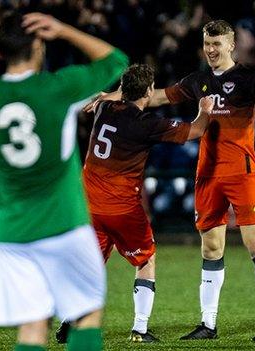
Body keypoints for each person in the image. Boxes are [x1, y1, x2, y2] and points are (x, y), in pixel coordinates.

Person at [138, 20, 255, 341]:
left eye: (217, 44)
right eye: (207, 43)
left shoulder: (250, 80)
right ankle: (208, 324)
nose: (211, 50)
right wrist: (117, 96)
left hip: (242, 172)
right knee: (211, 247)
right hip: (207, 174)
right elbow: (159, 97)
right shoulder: (197, 80)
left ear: (231, 45)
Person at [0, 10, 128, 351]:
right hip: (64, 224)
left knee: (32, 328)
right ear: (39, 45)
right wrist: (65, 30)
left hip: (12, 233)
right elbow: (116, 61)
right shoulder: (57, 89)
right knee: (85, 315)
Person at [57, 64, 212, 344]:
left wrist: (111, 94)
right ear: (149, 91)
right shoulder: (147, 124)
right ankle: (140, 329)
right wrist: (205, 110)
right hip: (122, 208)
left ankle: (69, 319)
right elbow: (196, 130)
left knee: (90, 265)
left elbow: (117, 97)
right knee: (146, 259)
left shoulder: (103, 109)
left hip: (89, 205)